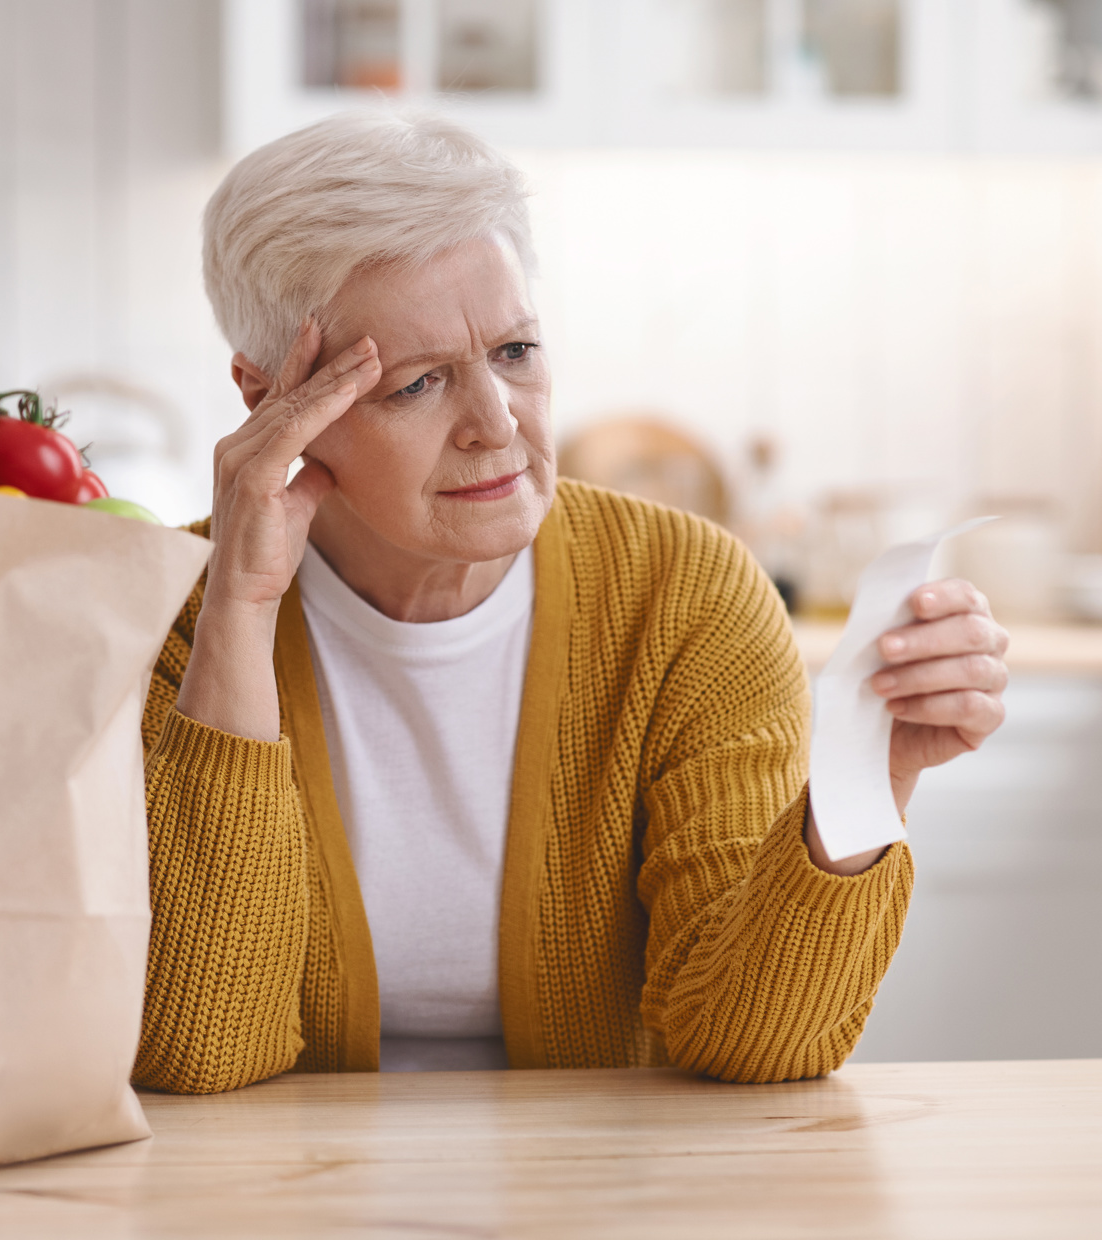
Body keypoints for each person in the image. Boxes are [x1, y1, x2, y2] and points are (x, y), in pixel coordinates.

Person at [135, 112, 1009, 1093]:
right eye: (416, 385)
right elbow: (201, 1052)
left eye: (514, 352)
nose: (495, 423)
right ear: (269, 400)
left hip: (609, 1174)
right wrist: (241, 607)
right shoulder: (159, 613)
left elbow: (751, 1044)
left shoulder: (683, 589)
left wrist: (863, 780)